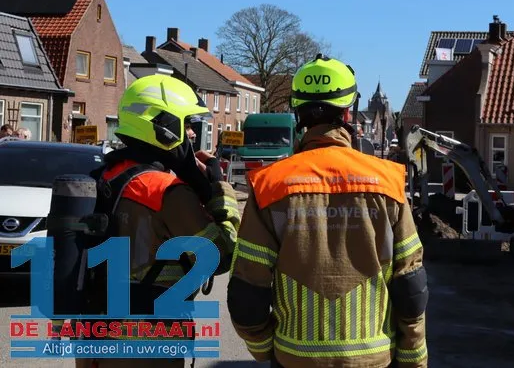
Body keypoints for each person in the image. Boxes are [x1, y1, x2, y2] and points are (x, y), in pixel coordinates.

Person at [228, 54, 429, 368]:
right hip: (372, 360)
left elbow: (247, 293)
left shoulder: (270, 186)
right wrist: (413, 359)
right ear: (348, 112)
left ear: (298, 113)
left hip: (294, 359)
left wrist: (267, 349)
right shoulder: (387, 182)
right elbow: (410, 286)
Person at [75, 75, 241, 368]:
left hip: (95, 341)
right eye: (186, 124)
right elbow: (221, 256)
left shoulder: (106, 177)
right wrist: (219, 189)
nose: (191, 134)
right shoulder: (165, 191)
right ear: (164, 127)